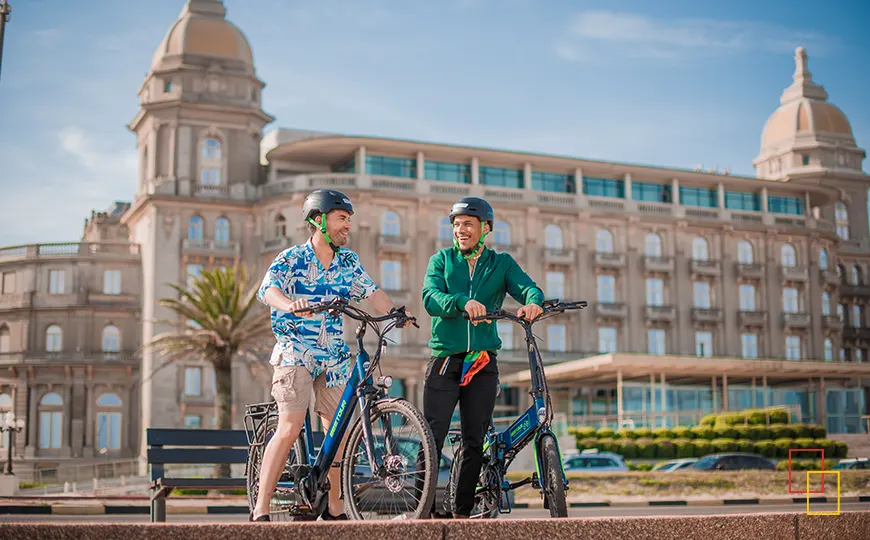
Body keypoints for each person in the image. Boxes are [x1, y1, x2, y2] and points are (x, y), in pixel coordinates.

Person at [251, 189, 412, 522]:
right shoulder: (291, 258)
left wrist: (396, 313)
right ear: (317, 220)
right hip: (296, 349)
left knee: (337, 435)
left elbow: (371, 293)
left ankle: (336, 510)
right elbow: (268, 290)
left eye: (349, 220)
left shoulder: (348, 261)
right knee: (291, 426)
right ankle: (261, 507)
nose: (347, 226)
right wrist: (290, 304)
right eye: (341, 218)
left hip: (335, 355)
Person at [421, 196, 544, 518]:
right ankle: (424, 509)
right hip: (446, 359)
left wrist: (533, 303)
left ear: (485, 228)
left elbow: (528, 288)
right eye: (457, 224)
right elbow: (430, 298)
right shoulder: (442, 260)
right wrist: (462, 301)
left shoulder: (500, 264)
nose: (460, 230)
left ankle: (461, 513)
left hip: (482, 362)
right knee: (432, 435)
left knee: (474, 439)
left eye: (468, 224)